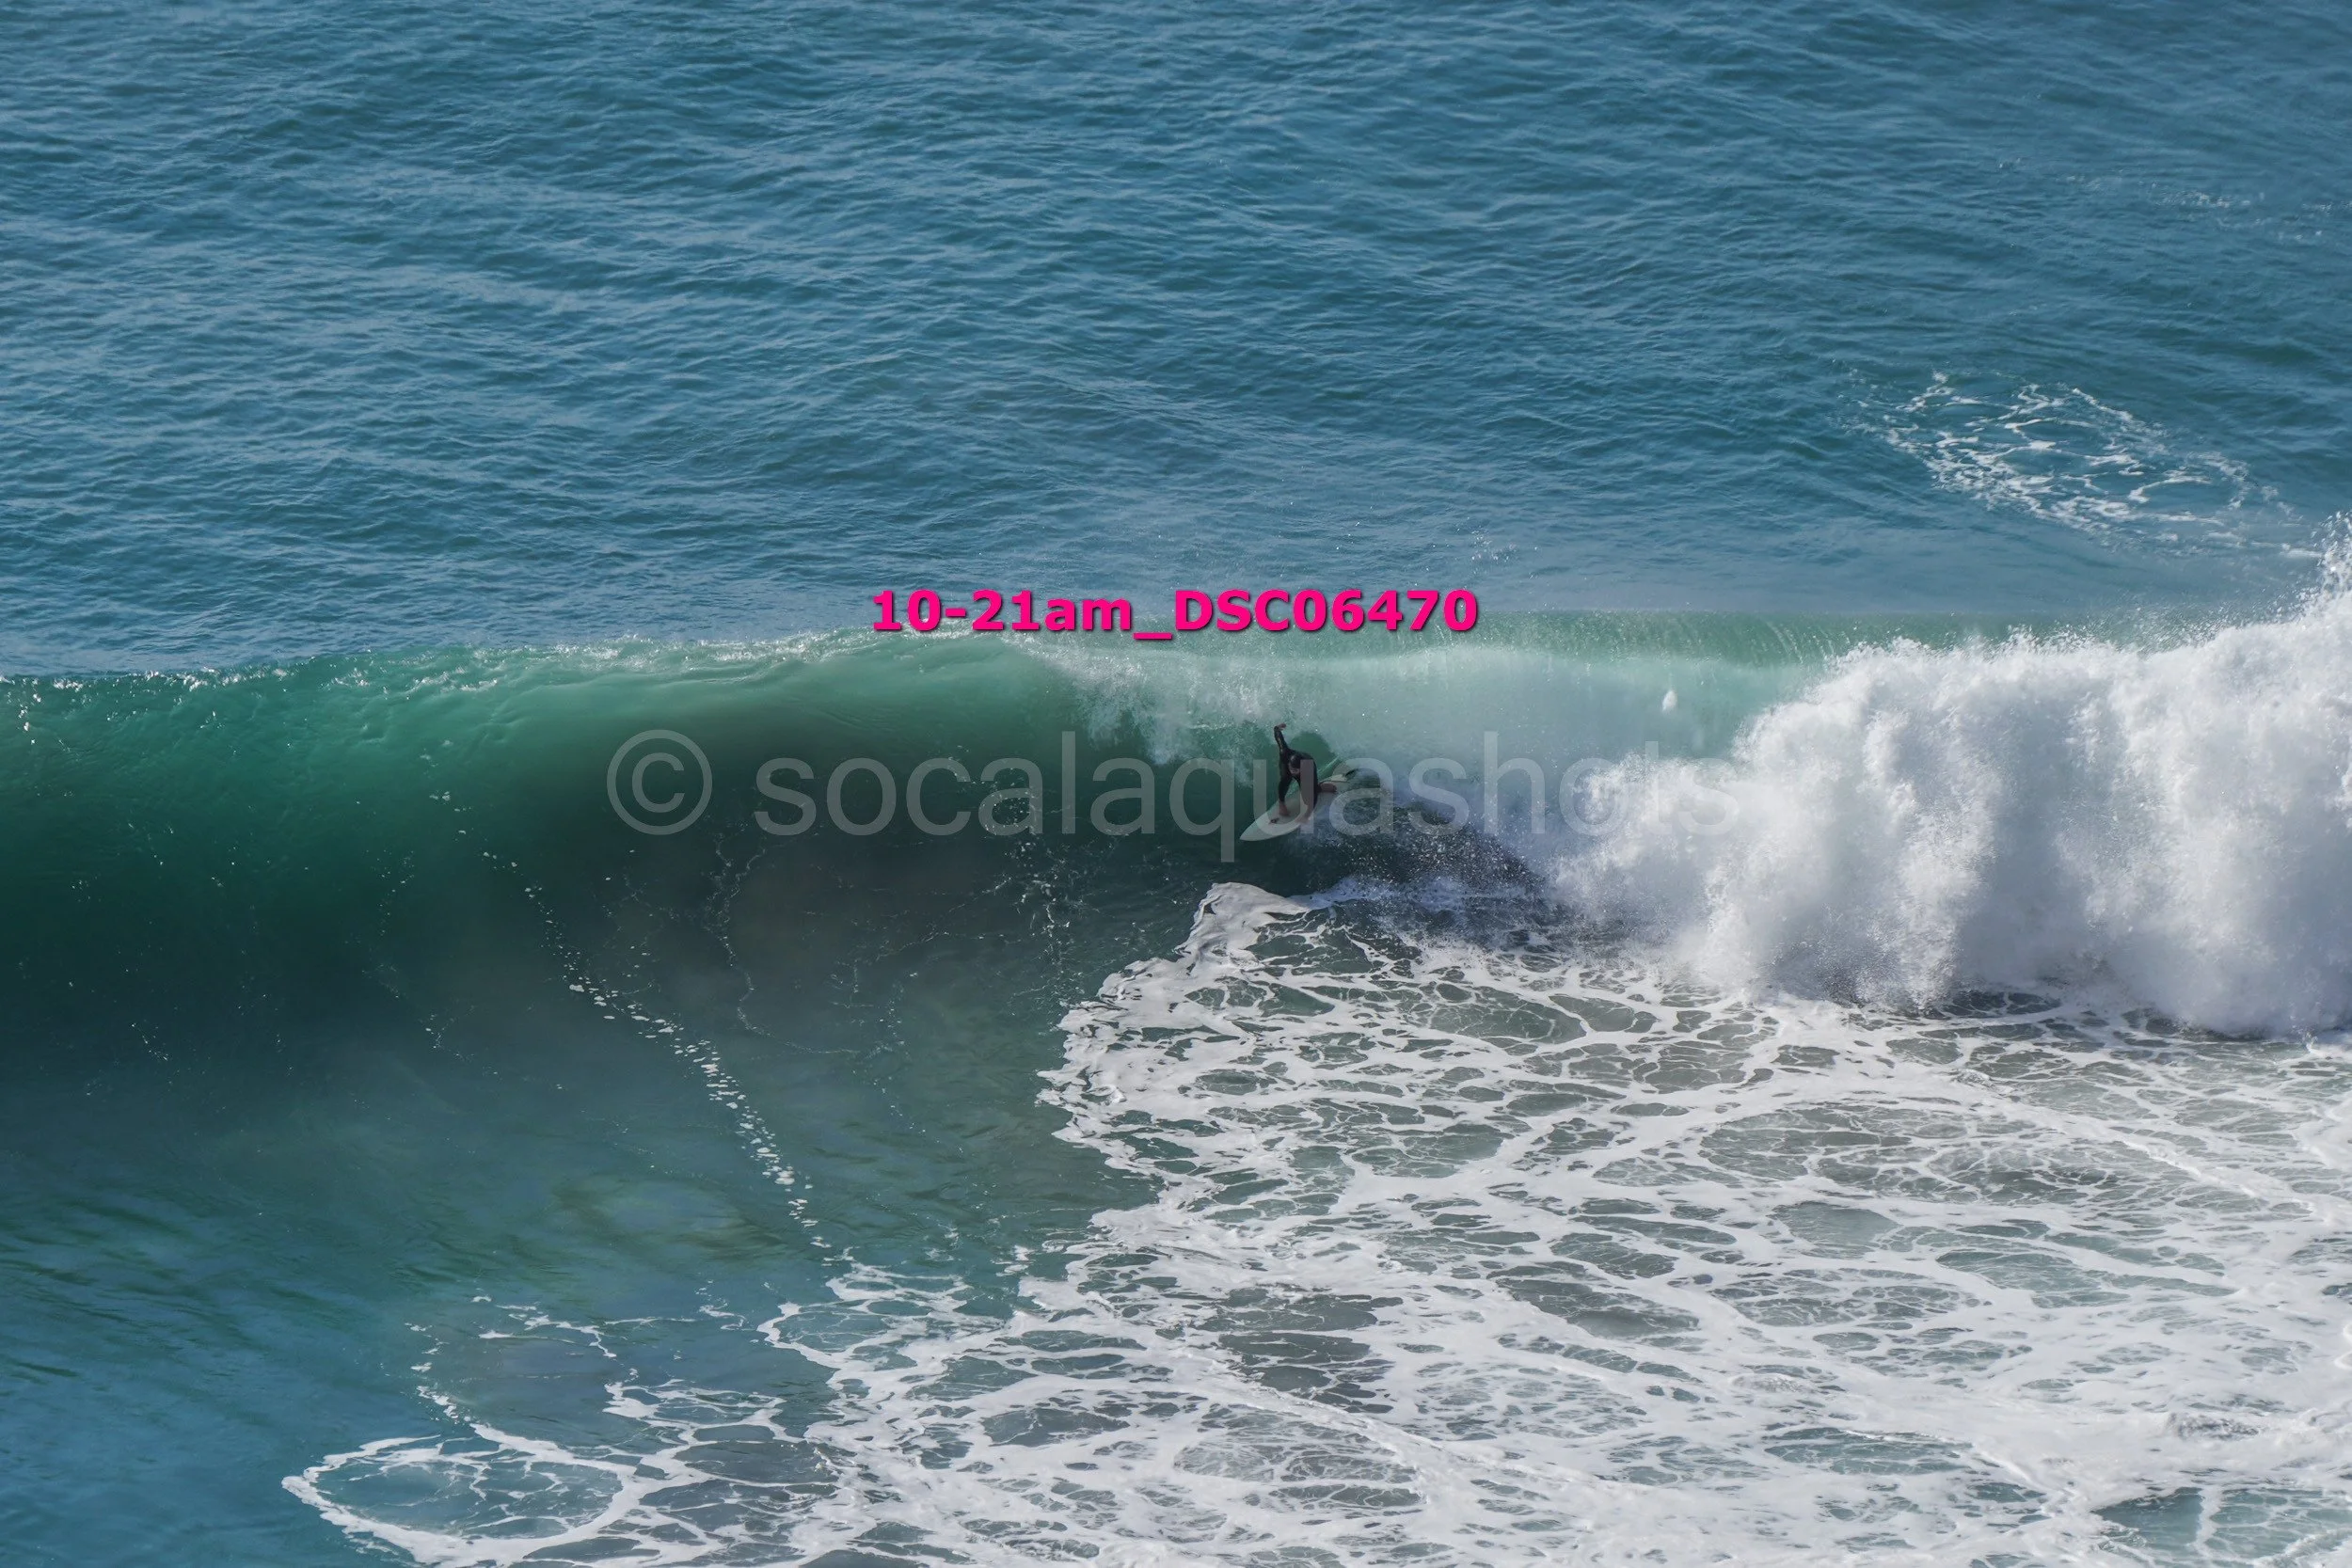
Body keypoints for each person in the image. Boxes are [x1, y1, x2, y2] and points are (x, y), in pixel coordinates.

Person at [1272, 723, 1338, 820]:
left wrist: (1307, 814)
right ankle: (1281, 804)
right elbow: (1279, 738)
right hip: (1286, 762)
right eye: (1292, 769)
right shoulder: (1284, 752)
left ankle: (1319, 787)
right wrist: (1277, 728)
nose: (1292, 772)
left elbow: (1313, 798)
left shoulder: (1308, 768)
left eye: (1295, 771)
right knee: (1285, 780)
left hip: (1306, 766)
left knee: (1310, 791)